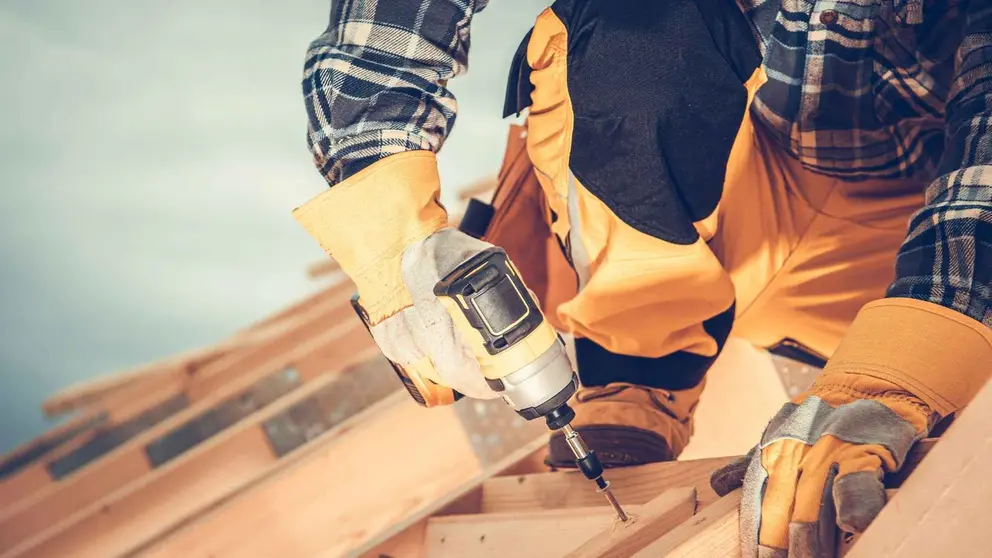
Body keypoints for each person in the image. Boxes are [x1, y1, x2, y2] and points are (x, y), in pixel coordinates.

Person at [292, 0, 992, 555]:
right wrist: (389, 232)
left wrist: (894, 378)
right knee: (628, 23)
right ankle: (634, 372)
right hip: (730, 186)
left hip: (915, 243)